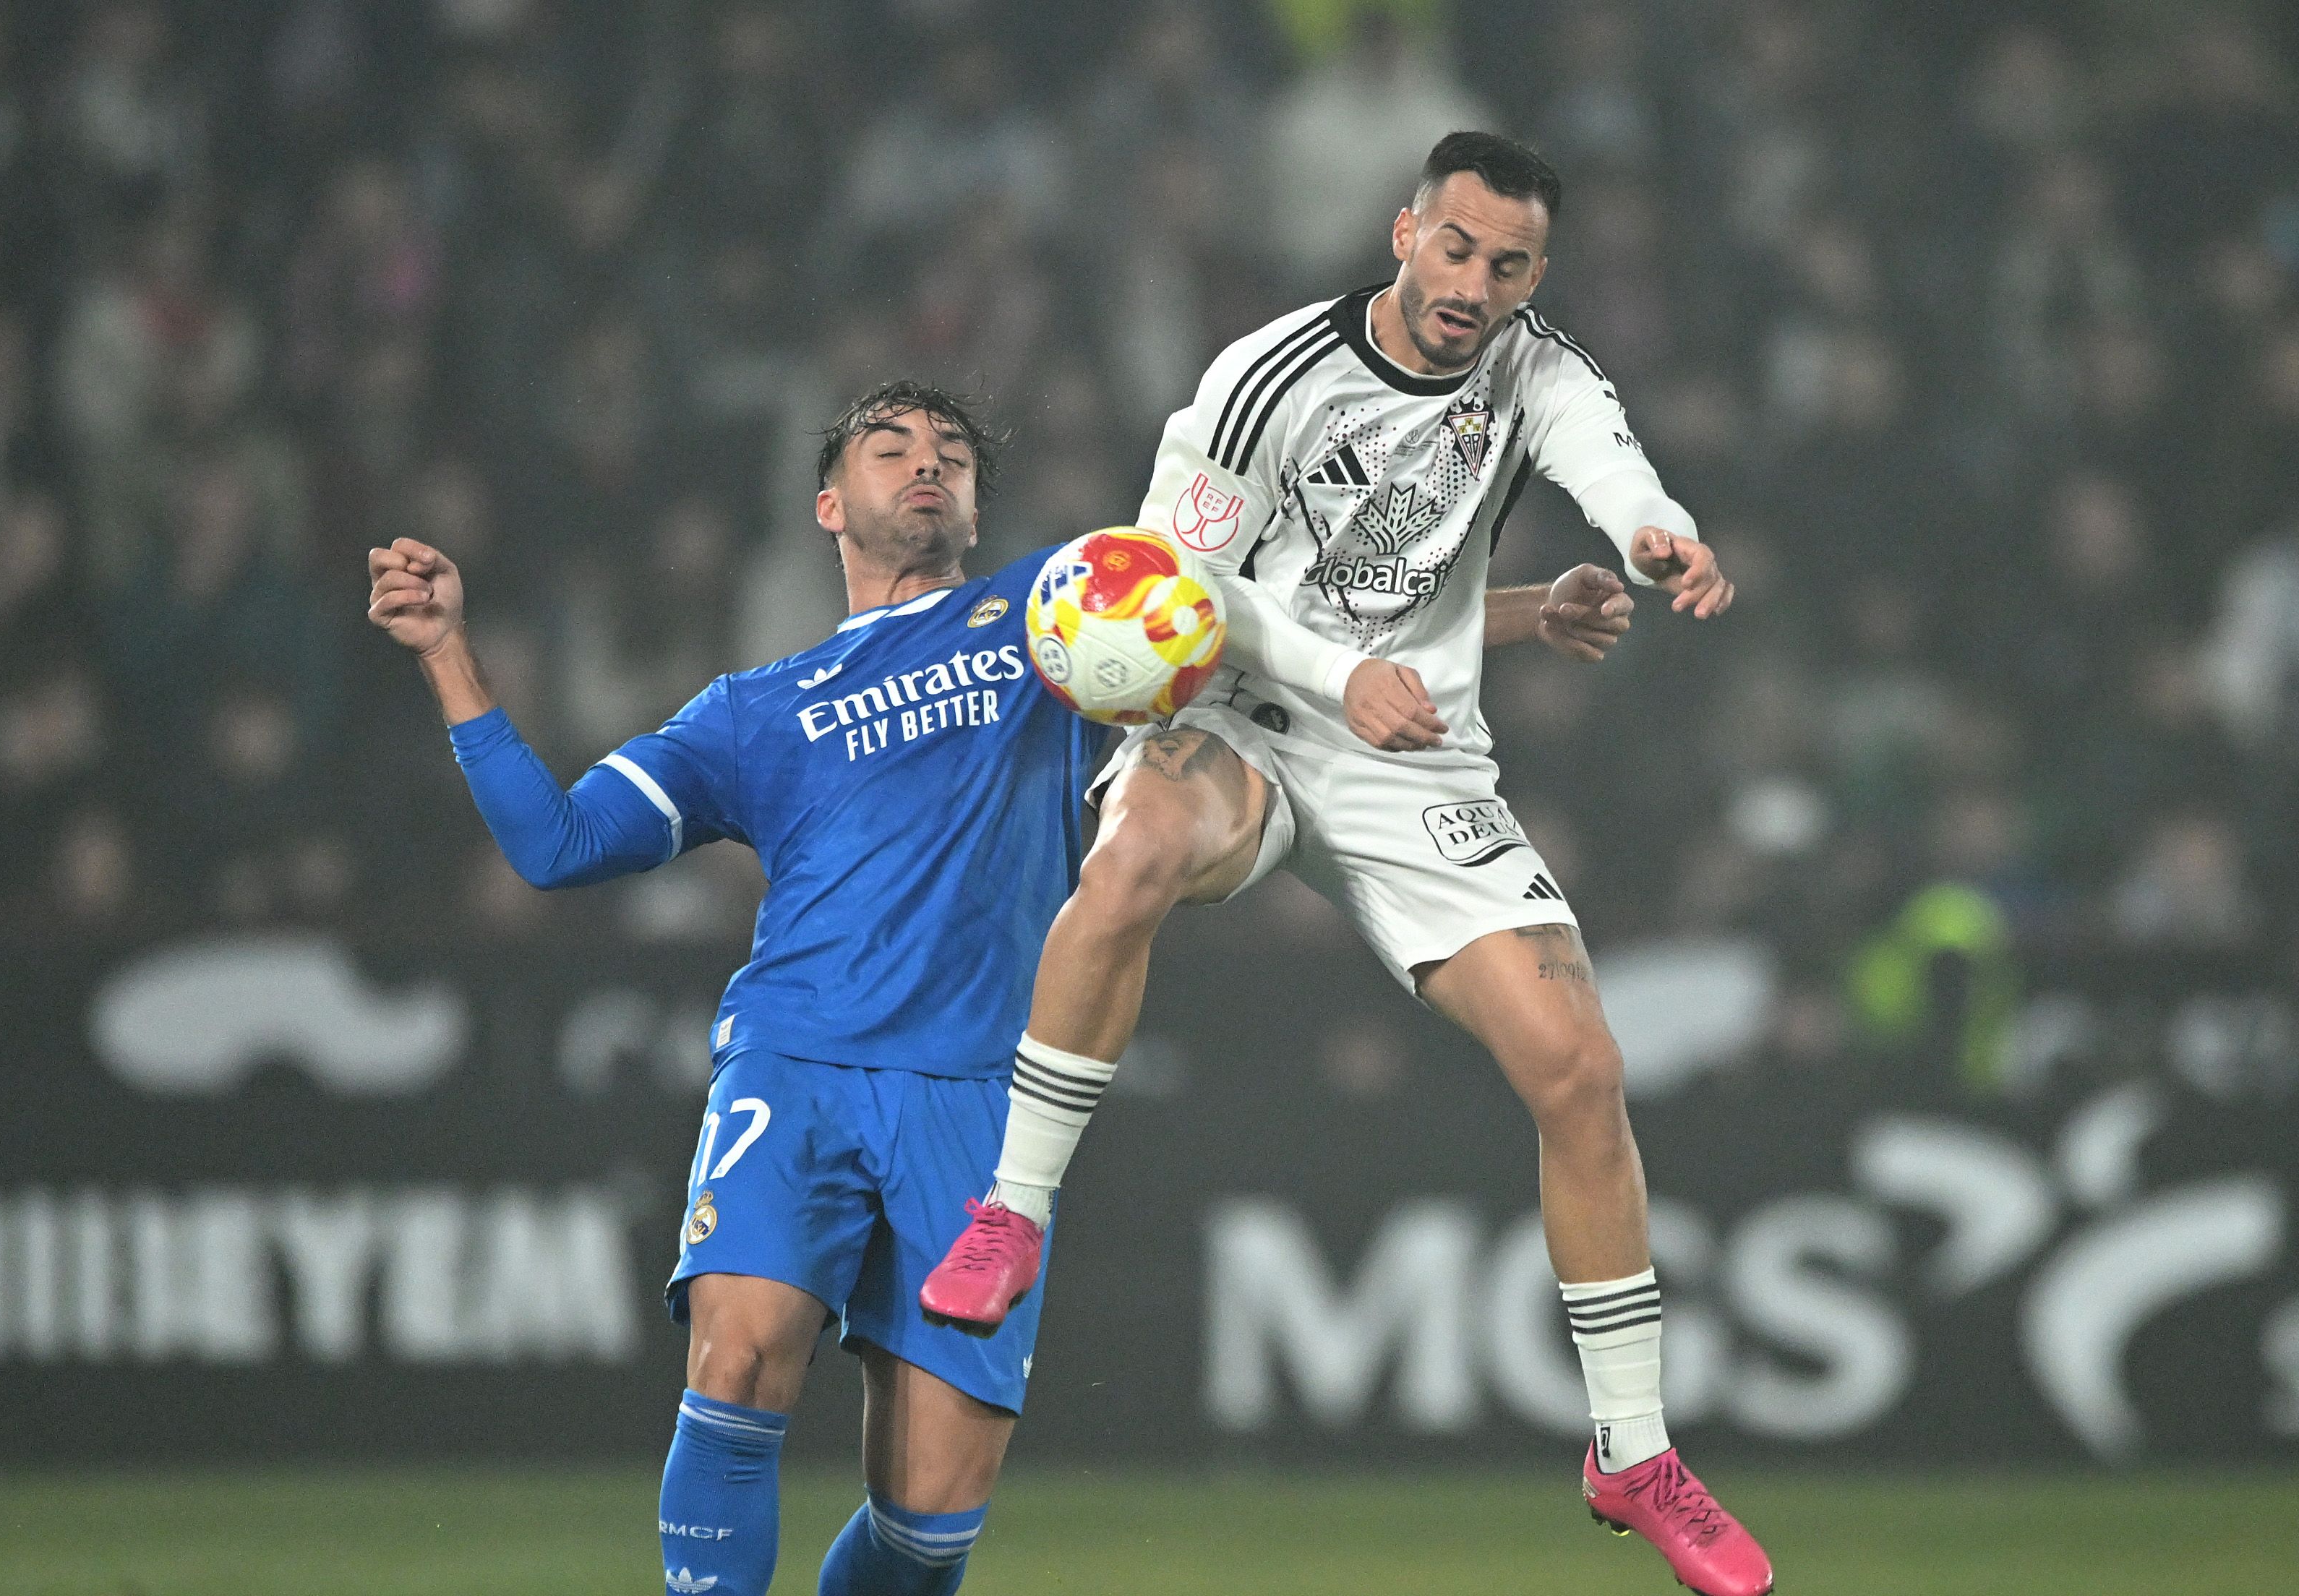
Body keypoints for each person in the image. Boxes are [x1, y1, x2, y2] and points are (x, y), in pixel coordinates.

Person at [367, 379, 1637, 1596]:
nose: (926, 461)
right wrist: (450, 657)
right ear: (827, 505)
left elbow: (1283, 631)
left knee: (928, 1525)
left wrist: (1524, 615)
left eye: (952, 455)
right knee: (740, 1359)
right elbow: (560, 847)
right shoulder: (752, 712)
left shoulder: (1056, 613)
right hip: (796, 1060)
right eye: (891, 445)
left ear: (973, 508)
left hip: (983, 1095)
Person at [919, 133, 1773, 1596]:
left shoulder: (1533, 368)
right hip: (1243, 710)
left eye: (1508, 266)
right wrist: (1338, 670)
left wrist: (1656, 540)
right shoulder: (1266, 378)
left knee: (1578, 1069)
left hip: (1411, 758)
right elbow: (1170, 586)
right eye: (1455, 249)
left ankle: (1630, 1453)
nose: (1473, 285)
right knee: (1130, 861)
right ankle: (1012, 1206)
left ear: (1533, 276)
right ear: (1402, 233)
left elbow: (1606, 461)